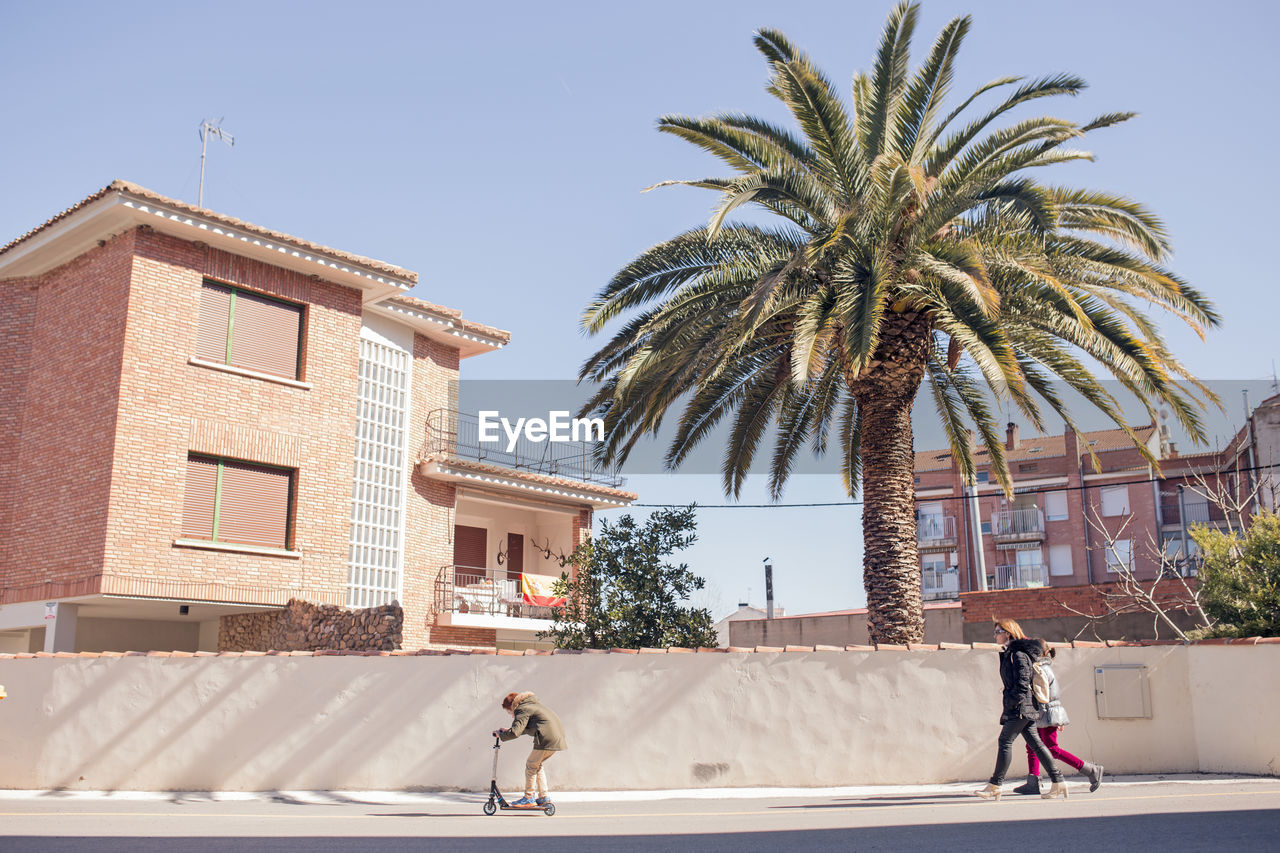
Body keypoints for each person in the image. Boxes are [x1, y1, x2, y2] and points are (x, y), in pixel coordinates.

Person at [975, 618, 1067, 800]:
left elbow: (1022, 682)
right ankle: (1059, 782)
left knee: (1005, 742)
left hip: (1021, 707)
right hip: (1022, 706)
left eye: (998, 632)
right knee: (1037, 745)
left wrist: (1014, 703)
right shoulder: (1011, 652)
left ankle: (995, 784)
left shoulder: (1017, 654)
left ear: (1007, 633)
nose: (995, 636)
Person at [1012, 645, 1104, 794]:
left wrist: (1052, 717)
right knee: (1032, 746)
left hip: (1046, 713)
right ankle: (1033, 781)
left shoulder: (1041, 669)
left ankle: (1090, 769)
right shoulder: (1040, 667)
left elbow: (1046, 695)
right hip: (1042, 712)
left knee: (1051, 749)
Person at [491, 691, 566, 806]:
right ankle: (543, 797)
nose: (511, 715)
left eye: (509, 712)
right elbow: (529, 728)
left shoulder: (522, 709)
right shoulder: (532, 705)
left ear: (512, 706)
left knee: (531, 765)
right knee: (536, 765)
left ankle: (529, 797)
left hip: (546, 739)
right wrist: (508, 731)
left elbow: (515, 732)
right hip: (555, 738)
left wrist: (501, 735)